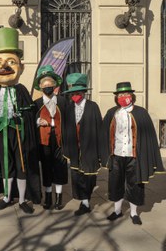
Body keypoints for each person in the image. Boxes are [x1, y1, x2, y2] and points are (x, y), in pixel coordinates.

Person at [0, 27, 41, 214]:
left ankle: (22, 199)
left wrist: (21, 117)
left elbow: (31, 114)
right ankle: (7, 197)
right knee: (6, 165)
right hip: (1, 134)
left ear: (21, 67)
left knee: (22, 166)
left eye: (11, 62)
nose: (4, 67)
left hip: (20, 134)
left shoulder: (22, 90)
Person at [102, 82, 165, 225]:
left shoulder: (141, 112)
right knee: (115, 183)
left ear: (131, 96)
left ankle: (134, 213)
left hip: (134, 155)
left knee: (135, 184)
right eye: (120, 95)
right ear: (116, 97)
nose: (123, 97)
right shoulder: (112, 112)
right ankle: (117, 211)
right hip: (117, 155)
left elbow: (149, 135)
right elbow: (103, 132)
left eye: (126, 94)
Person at [62, 73, 102, 216]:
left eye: (78, 93)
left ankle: (86, 201)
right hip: (75, 148)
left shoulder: (93, 107)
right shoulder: (68, 107)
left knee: (89, 175)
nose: (75, 95)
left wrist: (100, 152)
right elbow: (66, 129)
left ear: (84, 92)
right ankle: (83, 200)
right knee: (77, 174)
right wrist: (66, 148)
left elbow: (99, 129)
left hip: (90, 148)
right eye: (72, 93)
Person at [33, 65, 68, 210]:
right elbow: (31, 119)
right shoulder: (36, 104)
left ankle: (59, 198)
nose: (48, 87)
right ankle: (47, 197)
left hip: (60, 140)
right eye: (45, 85)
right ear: (40, 87)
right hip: (44, 141)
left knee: (60, 167)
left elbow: (68, 120)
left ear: (55, 86)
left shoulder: (63, 102)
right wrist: (37, 121)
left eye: (50, 85)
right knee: (46, 167)